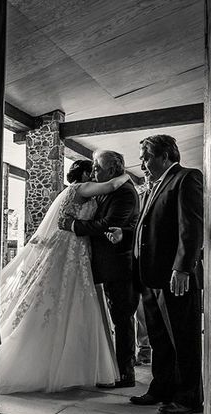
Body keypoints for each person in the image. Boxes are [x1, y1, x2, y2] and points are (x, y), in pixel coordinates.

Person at [0, 160, 130, 394]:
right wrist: (125, 176)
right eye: (94, 169)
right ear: (86, 174)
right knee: (64, 297)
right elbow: (110, 186)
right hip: (71, 247)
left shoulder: (75, 192)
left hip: (76, 248)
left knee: (69, 299)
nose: (95, 173)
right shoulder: (80, 188)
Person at [108, 134, 204, 414]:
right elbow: (145, 229)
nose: (143, 163)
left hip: (175, 276)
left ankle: (188, 398)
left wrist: (183, 268)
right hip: (149, 275)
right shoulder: (152, 187)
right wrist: (125, 236)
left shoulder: (186, 178)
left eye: (147, 157)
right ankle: (161, 388)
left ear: (165, 156)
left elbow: (191, 227)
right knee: (160, 337)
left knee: (182, 339)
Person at [59, 150, 140, 388]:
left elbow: (108, 225)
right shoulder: (107, 188)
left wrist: (74, 225)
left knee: (122, 317)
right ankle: (113, 367)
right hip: (103, 264)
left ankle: (126, 373)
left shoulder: (124, 193)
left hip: (118, 264)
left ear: (113, 170)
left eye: (97, 168)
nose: (93, 172)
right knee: (115, 316)